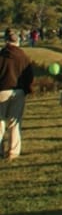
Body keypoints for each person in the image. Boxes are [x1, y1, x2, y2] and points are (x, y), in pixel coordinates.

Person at [0, 30, 34, 159]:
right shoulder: (23, 56)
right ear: (17, 41)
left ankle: (0, 150)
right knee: (15, 122)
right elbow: (29, 75)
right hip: (18, 91)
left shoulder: (1, 55)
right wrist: (27, 89)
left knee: (0, 121)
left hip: (2, 90)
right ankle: (13, 151)